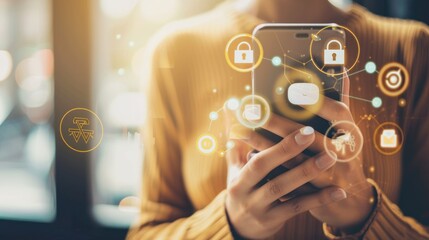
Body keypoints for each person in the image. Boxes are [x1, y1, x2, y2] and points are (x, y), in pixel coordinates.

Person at [127, 0, 429, 239]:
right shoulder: (176, 52)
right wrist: (231, 223)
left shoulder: (412, 48)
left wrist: (363, 214)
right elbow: (147, 232)